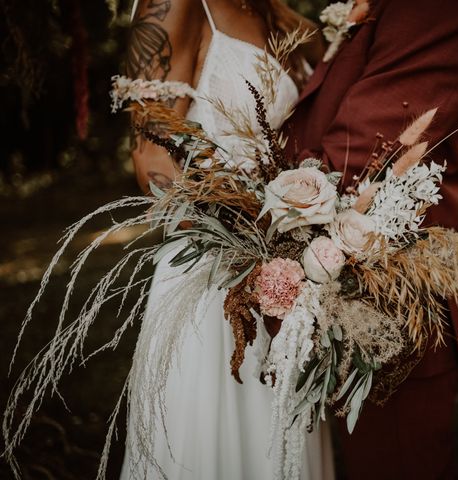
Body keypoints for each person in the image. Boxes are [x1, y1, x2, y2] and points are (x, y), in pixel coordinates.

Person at [284, 0, 458, 478]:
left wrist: (240, 189)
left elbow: (359, 159)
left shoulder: (439, 8)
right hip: (345, 306)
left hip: (393, 321)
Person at [120, 1, 332, 479]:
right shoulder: (172, 6)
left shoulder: (285, 19)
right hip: (209, 275)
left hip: (284, 278)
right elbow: (151, 160)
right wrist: (244, 235)